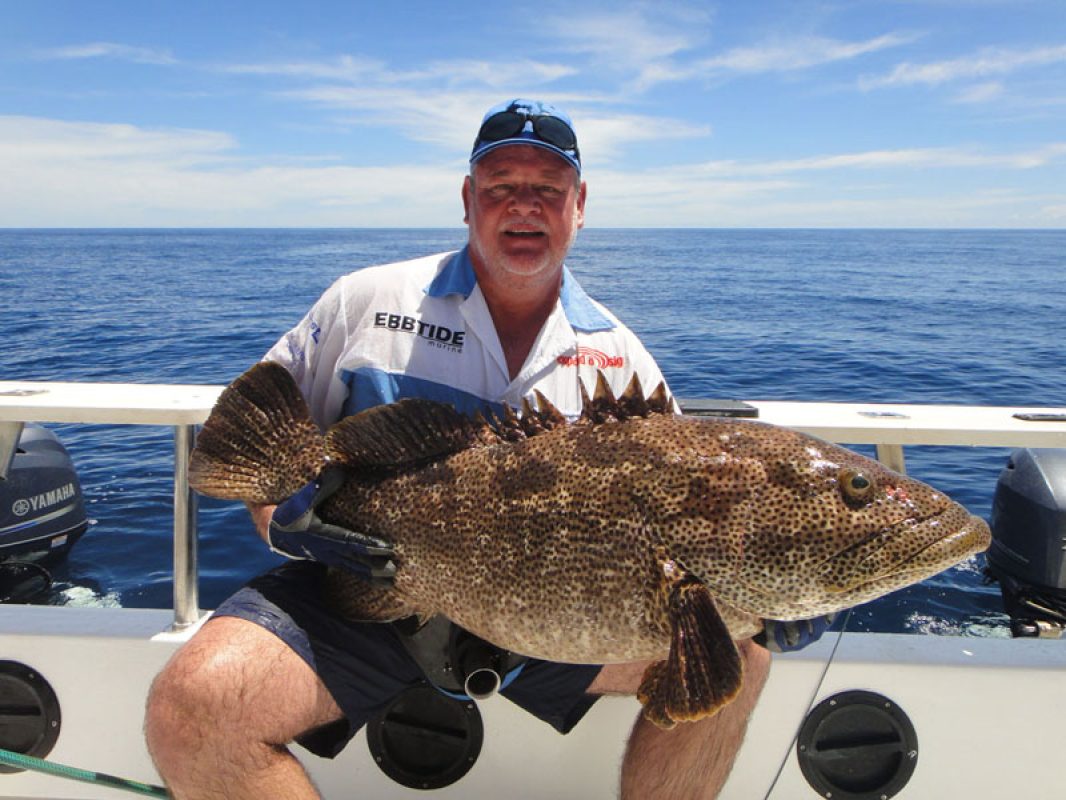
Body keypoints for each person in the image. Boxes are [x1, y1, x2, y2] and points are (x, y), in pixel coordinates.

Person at [145, 98, 826, 799]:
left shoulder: (621, 360)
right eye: (501, 186)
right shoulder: (365, 303)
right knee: (192, 707)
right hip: (376, 594)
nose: (523, 206)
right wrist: (292, 523)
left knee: (739, 663)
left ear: (578, 206)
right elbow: (255, 442)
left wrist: (773, 603)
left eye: (546, 191)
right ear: (468, 199)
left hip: (552, 619)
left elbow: (686, 532)